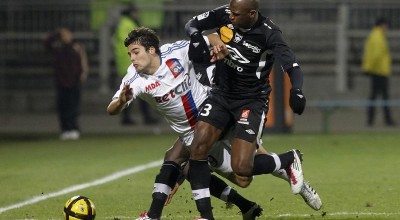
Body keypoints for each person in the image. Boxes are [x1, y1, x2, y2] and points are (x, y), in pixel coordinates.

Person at [107, 27, 320, 219]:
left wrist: (219, 45)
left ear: (151, 50)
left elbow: (210, 37)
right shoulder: (135, 79)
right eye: (130, 54)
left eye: (135, 52)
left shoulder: (176, 52)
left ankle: (156, 216)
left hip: (215, 114)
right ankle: (280, 171)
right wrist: (122, 101)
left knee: (176, 158)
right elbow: (112, 108)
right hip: (191, 133)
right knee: (243, 177)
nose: (132, 58)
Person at [184, 0, 308, 218]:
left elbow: (292, 66)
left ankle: (288, 159)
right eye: (230, 12)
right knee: (197, 149)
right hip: (221, 95)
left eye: (236, 14)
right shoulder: (225, 13)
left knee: (242, 169)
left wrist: (296, 90)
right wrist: (196, 37)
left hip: (251, 101)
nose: (230, 17)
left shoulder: (269, 33)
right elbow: (192, 23)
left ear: (251, 14)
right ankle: (205, 215)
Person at [113, 5, 159, 125]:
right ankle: (145, 117)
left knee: (129, 91)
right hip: (131, 63)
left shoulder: (123, 24)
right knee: (140, 90)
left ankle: (128, 117)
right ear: (131, 13)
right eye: (136, 12)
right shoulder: (128, 25)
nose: (138, 14)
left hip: (125, 62)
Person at [44, 27, 89, 140]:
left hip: (74, 81)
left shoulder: (76, 47)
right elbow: (46, 42)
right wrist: (57, 33)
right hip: (61, 82)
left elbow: (83, 61)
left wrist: (83, 73)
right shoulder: (58, 48)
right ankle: (65, 129)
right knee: (62, 107)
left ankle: (73, 128)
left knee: (73, 106)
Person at [362, 17, 396, 126]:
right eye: (386, 25)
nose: (387, 28)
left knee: (376, 96)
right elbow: (376, 56)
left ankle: (373, 120)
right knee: (382, 97)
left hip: (378, 71)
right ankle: (385, 120)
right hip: (379, 72)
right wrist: (370, 68)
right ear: (382, 25)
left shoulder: (376, 35)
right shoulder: (378, 37)